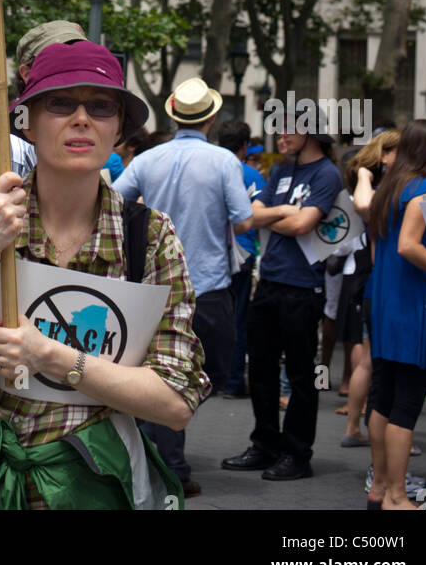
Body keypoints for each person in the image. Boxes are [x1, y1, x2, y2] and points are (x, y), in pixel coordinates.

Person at [0, 41, 209, 511]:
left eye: (100, 106)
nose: (81, 119)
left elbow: (175, 403)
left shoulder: (150, 237)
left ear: (118, 129)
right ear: (28, 124)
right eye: (60, 103)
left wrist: (54, 357)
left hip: (96, 484)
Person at [114, 78, 252, 495]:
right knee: (213, 371)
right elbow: (244, 220)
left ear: (174, 115)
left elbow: (111, 201)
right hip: (205, 284)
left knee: (162, 369)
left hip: (154, 284)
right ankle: (170, 460)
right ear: (211, 117)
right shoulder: (223, 161)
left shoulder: (148, 159)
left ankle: (153, 436)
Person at [222, 101, 343, 481]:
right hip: (270, 280)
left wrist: (281, 214)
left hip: (303, 287)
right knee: (260, 369)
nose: (281, 136)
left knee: (302, 375)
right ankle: (265, 444)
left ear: (310, 131)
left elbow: (304, 225)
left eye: (288, 129)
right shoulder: (280, 169)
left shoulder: (327, 174)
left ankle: (296, 454)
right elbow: (249, 218)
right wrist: (285, 211)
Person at [365, 120, 426, 510]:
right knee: (406, 406)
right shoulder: (422, 191)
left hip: (385, 305)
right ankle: (396, 495)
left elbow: (381, 252)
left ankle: (380, 487)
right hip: (412, 308)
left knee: (384, 399)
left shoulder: (388, 190)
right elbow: (407, 246)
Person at [337, 129, 400, 444]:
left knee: (367, 357)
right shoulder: (379, 190)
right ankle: (388, 431)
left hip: (368, 277)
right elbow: (362, 210)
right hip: (375, 277)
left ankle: (357, 427)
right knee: (375, 359)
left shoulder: (376, 187)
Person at [0, 19, 87, 186]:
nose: (74, 69)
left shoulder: (83, 129)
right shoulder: (11, 147)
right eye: (57, 60)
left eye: (81, 59)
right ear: (27, 73)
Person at [217, 118, 265, 400]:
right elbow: (257, 214)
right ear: (245, 145)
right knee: (238, 319)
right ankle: (233, 380)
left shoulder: (210, 168)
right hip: (243, 253)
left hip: (211, 253)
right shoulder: (252, 174)